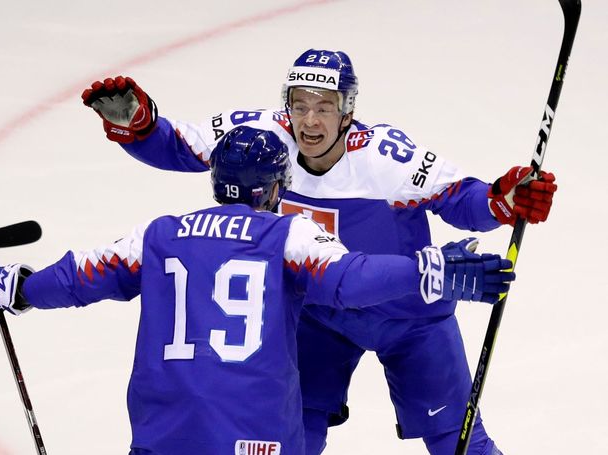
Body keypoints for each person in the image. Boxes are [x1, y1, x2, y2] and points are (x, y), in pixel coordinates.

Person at [80, 49, 555, 455]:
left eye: (325, 106)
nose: (310, 119)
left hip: (410, 316)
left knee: (457, 440)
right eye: (300, 104)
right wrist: (139, 126)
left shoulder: (386, 157)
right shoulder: (264, 137)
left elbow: (465, 200)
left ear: (347, 111)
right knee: (293, 435)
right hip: (321, 316)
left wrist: (506, 200)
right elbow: (178, 146)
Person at [0, 126, 514, 455]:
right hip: (258, 437)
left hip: (164, 435)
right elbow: (350, 280)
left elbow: (79, 276)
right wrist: (428, 270)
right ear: (276, 187)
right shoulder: (287, 237)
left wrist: (17, 288)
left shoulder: (159, 235)